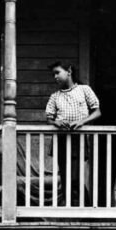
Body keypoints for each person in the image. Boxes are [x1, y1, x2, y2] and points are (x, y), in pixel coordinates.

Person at [45, 61, 101, 205]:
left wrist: (82, 121)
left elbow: (97, 112)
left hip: (78, 138)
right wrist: (55, 122)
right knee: (65, 176)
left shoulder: (84, 89)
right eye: (53, 74)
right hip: (62, 138)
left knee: (75, 176)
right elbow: (49, 119)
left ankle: (86, 205)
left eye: (57, 73)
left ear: (69, 71)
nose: (55, 77)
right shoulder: (55, 96)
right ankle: (68, 207)